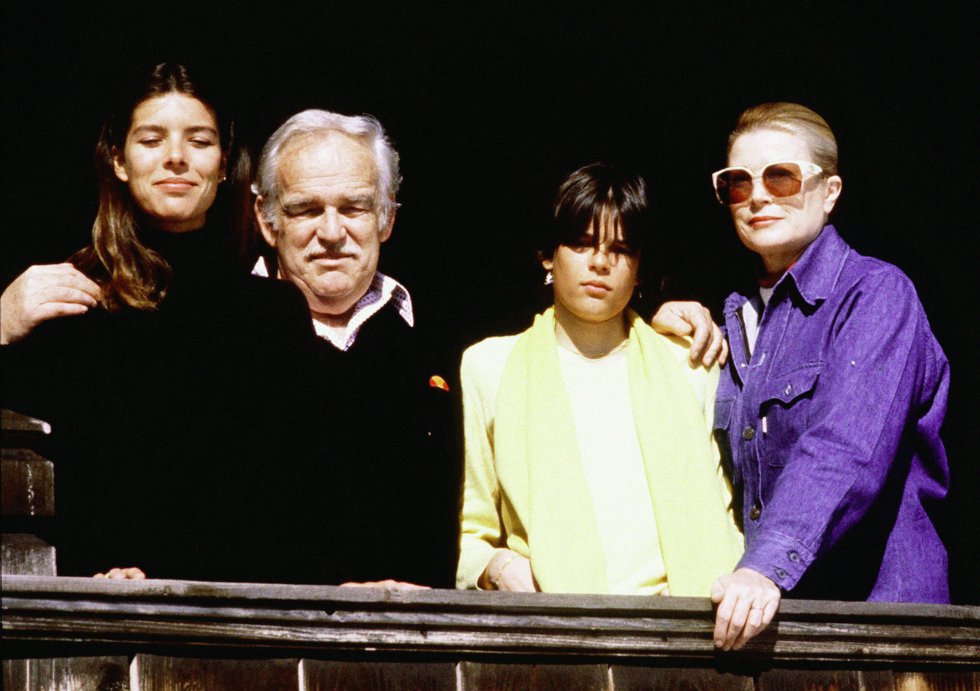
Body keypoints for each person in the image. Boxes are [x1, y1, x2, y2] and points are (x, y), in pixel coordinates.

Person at [0, 63, 316, 582]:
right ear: (119, 160)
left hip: (242, 613)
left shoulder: (273, 313)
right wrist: (4, 324)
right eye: (151, 139)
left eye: (199, 140)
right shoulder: (71, 295)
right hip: (100, 612)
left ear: (222, 165)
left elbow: (293, 487)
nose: (176, 157)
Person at [707, 103, 950, 650]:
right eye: (737, 184)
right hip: (769, 633)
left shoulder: (877, 295)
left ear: (830, 191)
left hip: (879, 635)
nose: (759, 196)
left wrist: (764, 568)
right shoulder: (731, 318)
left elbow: (844, 448)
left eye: (781, 176)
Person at [456, 163, 742, 596]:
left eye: (621, 249)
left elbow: (735, 512)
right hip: (552, 632)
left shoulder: (691, 363)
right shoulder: (488, 367)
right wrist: (498, 566)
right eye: (581, 243)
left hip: (687, 630)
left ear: (640, 264)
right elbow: (466, 530)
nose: (601, 263)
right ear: (548, 255)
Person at [251, 109, 461, 589]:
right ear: (267, 220)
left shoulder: (441, 345)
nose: (330, 232)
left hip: (418, 648)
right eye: (306, 209)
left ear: (386, 217)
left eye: (353, 208)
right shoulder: (213, 337)